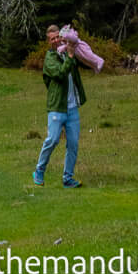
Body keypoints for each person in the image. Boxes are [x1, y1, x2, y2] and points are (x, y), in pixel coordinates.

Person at [32, 23, 85, 187]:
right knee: (53, 139)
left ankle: (67, 178)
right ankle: (39, 170)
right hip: (57, 107)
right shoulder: (50, 59)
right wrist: (69, 56)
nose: (56, 41)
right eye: (52, 39)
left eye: (57, 37)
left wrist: (75, 49)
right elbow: (61, 74)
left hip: (72, 108)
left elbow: (78, 65)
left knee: (73, 143)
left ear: (61, 37)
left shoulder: (67, 52)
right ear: (49, 41)